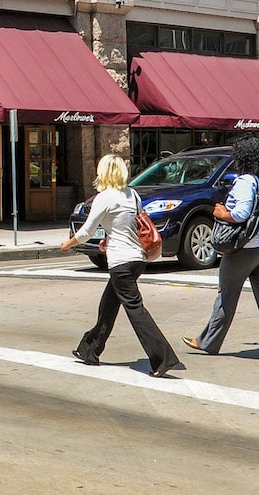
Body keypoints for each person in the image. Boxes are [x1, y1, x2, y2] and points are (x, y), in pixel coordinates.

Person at [60, 154, 179, 377]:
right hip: (136, 259)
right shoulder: (131, 194)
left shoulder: (104, 198)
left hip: (121, 262)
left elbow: (86, 231)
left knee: (135, 310)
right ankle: (89, 349)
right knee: (108, 305)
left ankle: (163, 358)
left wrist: (68, 243)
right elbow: (130, 226)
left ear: (103, 173)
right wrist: (110, 240)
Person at [182, 136, 259, 362]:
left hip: (246, 247)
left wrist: (222, 213)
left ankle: (208, 342)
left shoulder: (245, 182)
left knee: (227, 293)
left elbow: (241, 214)